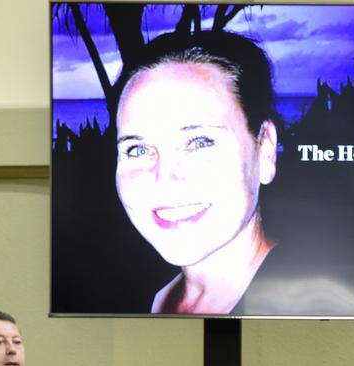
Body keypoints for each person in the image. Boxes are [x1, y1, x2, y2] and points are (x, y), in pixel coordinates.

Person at [114, 31, 279, 314]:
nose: (164, 180)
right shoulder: (129, 299)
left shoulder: (319, 308)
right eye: (138, 149)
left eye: (199, 142)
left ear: (264, 149)